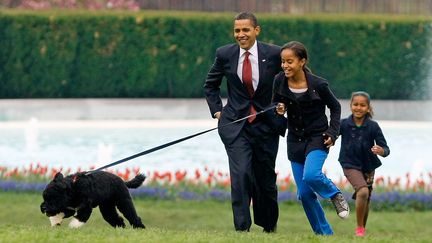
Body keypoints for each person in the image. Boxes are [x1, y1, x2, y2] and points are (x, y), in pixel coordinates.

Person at [203, 12, 287, 232]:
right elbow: (210, 85)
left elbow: (292, 78)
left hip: (266, 126)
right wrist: (218, 112)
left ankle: (269, 227)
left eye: (245, 30)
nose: (241, 34)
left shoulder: (275, 53)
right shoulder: (224, 54)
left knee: (265, 180)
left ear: (256, 31)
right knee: (240, 177)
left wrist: (283, 104)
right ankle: (242, 229)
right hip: (235, 126)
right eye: (237, 30)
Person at [272, 41, 349, 235]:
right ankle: (324, 234)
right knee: (305, 194)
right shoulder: (279, 81)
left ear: (302, 61)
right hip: (295, 140)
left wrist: (333, 132)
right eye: (283, 62)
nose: (285, 66)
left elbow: (336, 107)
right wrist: (279, 109)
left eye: (289, 61)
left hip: (318, 137)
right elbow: (275, 104)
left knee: (311, 175)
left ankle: (335, 194)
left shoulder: (318, 84)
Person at [338, 91, 390, 237]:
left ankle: (362, 229)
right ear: (350, 106)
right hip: (349, 163)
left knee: (365, 197)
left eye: (362, 105)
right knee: (363, 192)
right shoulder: (344, 124)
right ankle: (359, 228)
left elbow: (386, 149)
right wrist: (329, 140)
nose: (358, 108)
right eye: (355, 104)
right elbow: (332, 135)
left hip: (368, 166)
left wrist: (381, 151)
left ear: (368, 108)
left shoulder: (373, 126)